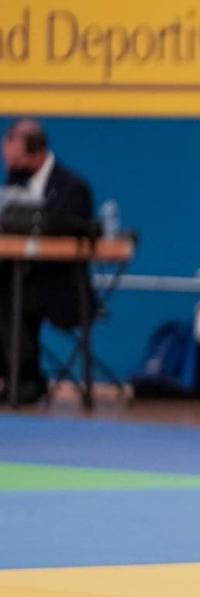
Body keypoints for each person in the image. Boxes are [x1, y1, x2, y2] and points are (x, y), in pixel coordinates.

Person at [0, 119, 94, 405]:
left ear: (36, 152)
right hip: (20, 279)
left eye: (17, 158)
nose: (12, 165)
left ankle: (24, 380)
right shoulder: (15, 181)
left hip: (61, 288)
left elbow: (75, 228)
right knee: (6, 294)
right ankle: (16, 378)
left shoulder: (72, 187)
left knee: (8, 300)